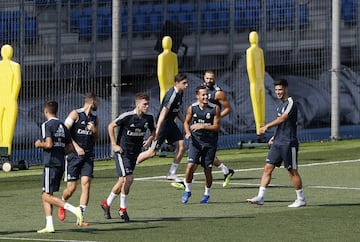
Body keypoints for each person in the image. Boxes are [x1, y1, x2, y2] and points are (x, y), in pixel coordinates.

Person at [246, 79, 307, 208]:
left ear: (286, 89)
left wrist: (267, 126)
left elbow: (283, 118)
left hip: (289, 143)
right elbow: (283, 124)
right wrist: (274, 136)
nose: (278, 92)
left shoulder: (291, 103)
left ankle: (301, 199)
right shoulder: (280, 104)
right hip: (278, 142)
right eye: (276, 90)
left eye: (280, 90)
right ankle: (260, 197)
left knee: (292, 171)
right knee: (268, 168)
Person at [172, 70, 234, 190]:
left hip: (210, 130)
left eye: (211, 78)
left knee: (204, 157)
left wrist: (215, 118)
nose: (209, 80)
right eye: (207, 78)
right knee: (198, 157)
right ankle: (226, 171)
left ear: (214, 78)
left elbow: (228, 108)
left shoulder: (218, 93)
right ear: (204, 78)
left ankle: (187, 182)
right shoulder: (201, 90)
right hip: (199, 131)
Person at [100, 93, 156, 222]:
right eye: (144, 104)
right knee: (129, 178)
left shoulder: (149, 118)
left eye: (148, 104)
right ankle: (122, 209)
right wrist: (114, 145)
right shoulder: (127, 116)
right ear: (137, 104)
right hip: (122, 152)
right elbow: (110, 126)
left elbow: (154, 131)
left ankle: (106, 204)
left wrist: (149, 140)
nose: (147, 106)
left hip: (134, 153)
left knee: (122, 181)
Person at [35, 101, 83, 233]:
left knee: (45, 196)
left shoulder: (46, 125)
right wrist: (60, 151)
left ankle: (74, 209)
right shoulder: (62, 125)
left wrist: (39, 144)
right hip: (61, 163)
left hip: (50, 163)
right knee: (47, 194)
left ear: (46, 111)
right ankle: (49, 225)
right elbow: (70, 147)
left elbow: (49, 144)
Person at [136, 73, 188, 180]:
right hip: (163, 124)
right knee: (151, 153)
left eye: (186, 83)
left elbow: (176, 111)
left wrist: (186, 122)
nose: (186, 85)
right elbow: (163, 113)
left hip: (170, 124)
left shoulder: (180, 93)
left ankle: (171, 173)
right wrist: (157, 130)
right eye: (184, 83)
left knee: (182, 146)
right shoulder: (172, 95)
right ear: (177, 83)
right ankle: (130, 163)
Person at [58, 92, 99, 226]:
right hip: (73, 156)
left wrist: (94, 130)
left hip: (88, 155)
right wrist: (75, 147)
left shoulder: (94, 118)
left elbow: (96, 139)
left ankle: (80, 216)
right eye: (96, 101)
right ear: (92, 101)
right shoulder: (75, 114)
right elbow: (64, 132)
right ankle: (62, 202)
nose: (98, 104)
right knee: (72, 188)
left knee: (86, 184)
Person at [181, 85, 221, 204]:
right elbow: (186, 122)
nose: (205, 96)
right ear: (197, 96)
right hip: (196, 143)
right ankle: (187, 190)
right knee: (189, 167)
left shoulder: (215, 108)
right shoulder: (192, 108)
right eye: (203, 95)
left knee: (207, 170)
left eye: (206, 94)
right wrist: (188, 133)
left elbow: (216, 127)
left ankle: (206, 194)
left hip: (209, 144)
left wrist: (203, 126)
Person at [0, 44, 21, 156]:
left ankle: (3, 151)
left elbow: (17, 83)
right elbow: (17, 83)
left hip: (3, 99)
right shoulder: (15, 66)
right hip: (9, 100)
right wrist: (12, 97)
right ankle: (5, 152)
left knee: (4, 127)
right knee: (8, 127)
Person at [246, 31, 266, 143]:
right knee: (257, 107)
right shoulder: (251, 51)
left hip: (259, 82)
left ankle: (262, 130)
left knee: (261, 107)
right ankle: (259, 131)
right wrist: (255, 79)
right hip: (255, 82)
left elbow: (262, 66)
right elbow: (250, 66)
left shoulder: (259, 51)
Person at [157, 36, 178, 103]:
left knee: (165, 101)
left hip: (165, 83)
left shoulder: (161, 56)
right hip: (172, 82)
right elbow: (176, 71)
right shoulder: (174, 56)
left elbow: (160, 73)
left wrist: (162, 86)